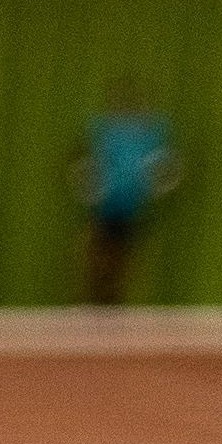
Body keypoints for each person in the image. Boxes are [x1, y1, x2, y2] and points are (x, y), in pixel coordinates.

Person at [74, 83, 179, 309]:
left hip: (131, 210)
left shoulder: (152, 134)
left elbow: (164, 169)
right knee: (97, 264)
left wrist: (159, 181)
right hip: (104, 209)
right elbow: (86, 163)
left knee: (123, 266)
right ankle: (91, 307)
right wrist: (89, 185)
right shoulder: (103, 130)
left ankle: (115, 311)